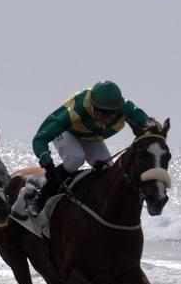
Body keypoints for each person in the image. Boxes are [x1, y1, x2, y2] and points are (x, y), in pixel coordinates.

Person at [29, 80, 152, 214]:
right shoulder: (74, 111)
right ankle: (42, 196)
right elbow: (40, 139)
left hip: (91, 137)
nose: (107, 118)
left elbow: (151, 127)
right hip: (67, 132)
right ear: (92, 106)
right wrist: (48, 166)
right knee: (75, 159)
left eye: (111, 113)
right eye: (102, 113)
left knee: (108, 171)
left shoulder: (126, 107)